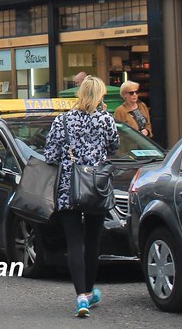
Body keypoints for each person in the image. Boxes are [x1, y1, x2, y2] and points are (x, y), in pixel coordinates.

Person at [44, 75, 119, 318]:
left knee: (74, 242)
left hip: (69, 187)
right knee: (93, 241)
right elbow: (114, 147)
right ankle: (89, 291)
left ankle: (81, 298)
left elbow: (50, 155)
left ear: (80, 93)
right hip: (96, 187)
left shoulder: (63, 120)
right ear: (100, 95)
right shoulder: (106, 119)